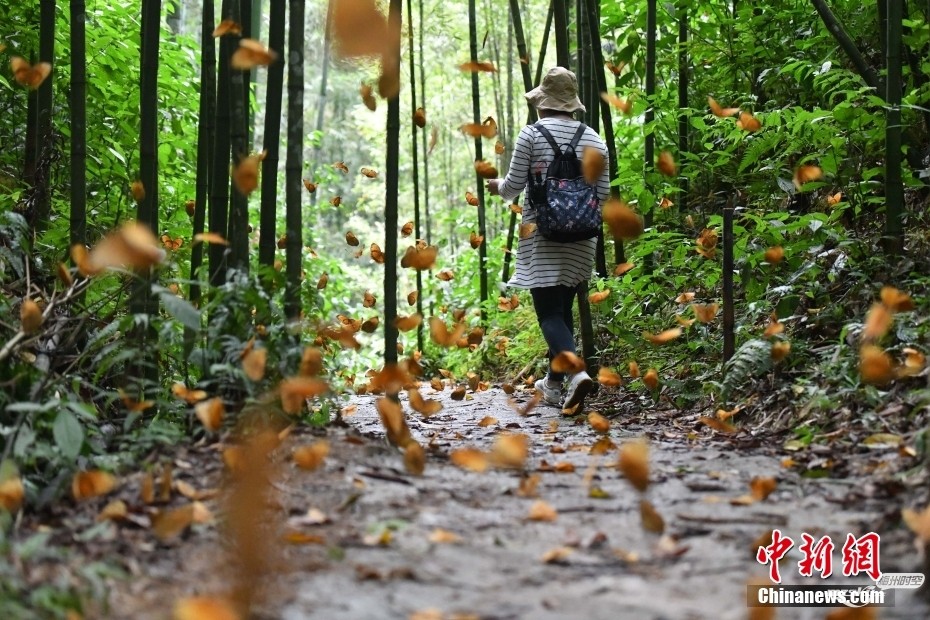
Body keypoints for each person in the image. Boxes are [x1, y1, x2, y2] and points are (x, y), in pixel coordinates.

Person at [486, 66, 610, 411]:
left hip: (542, 233)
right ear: (571, 104)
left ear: (543, 103)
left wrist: (497, 186)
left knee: (548, 314)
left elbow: (512, 188)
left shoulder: (531, 135)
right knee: (562, 310)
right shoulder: (593, 139)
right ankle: (554, 383)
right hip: (583, 236)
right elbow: (603, 192)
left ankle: (575, 373)